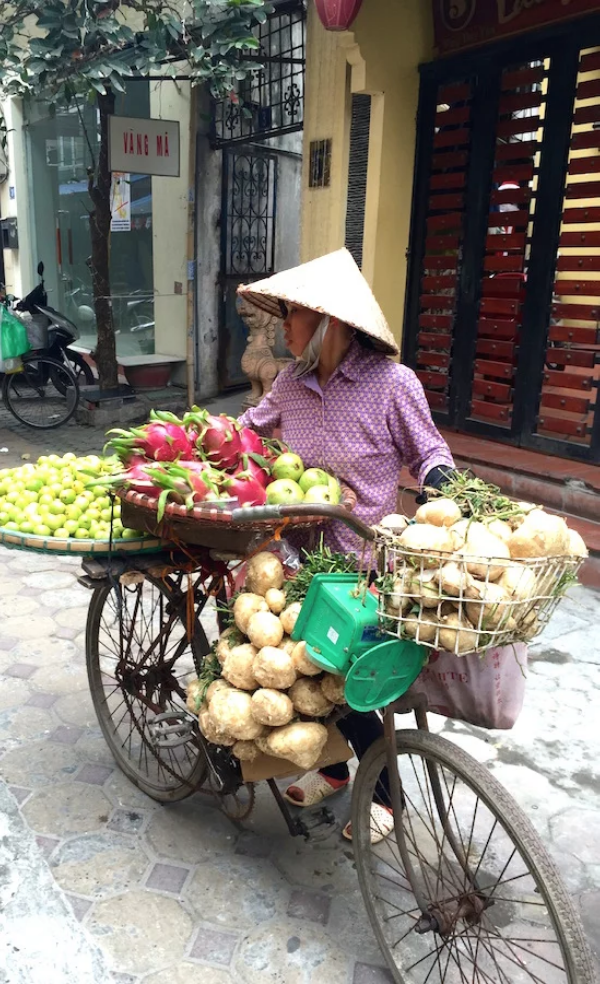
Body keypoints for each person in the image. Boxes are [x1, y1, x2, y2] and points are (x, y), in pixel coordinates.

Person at [237, 248, 455, 843]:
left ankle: (387, 796)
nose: (283, 325)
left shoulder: (392, 384)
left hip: (363, 567)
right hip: (298, 558)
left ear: (328, 320)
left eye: (293, 314)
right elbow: (250, 429)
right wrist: (207, 448)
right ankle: (332, 769)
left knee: (352, 683)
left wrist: (448, 499)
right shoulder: (292, 382)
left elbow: (430, 452)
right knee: (297, 673)